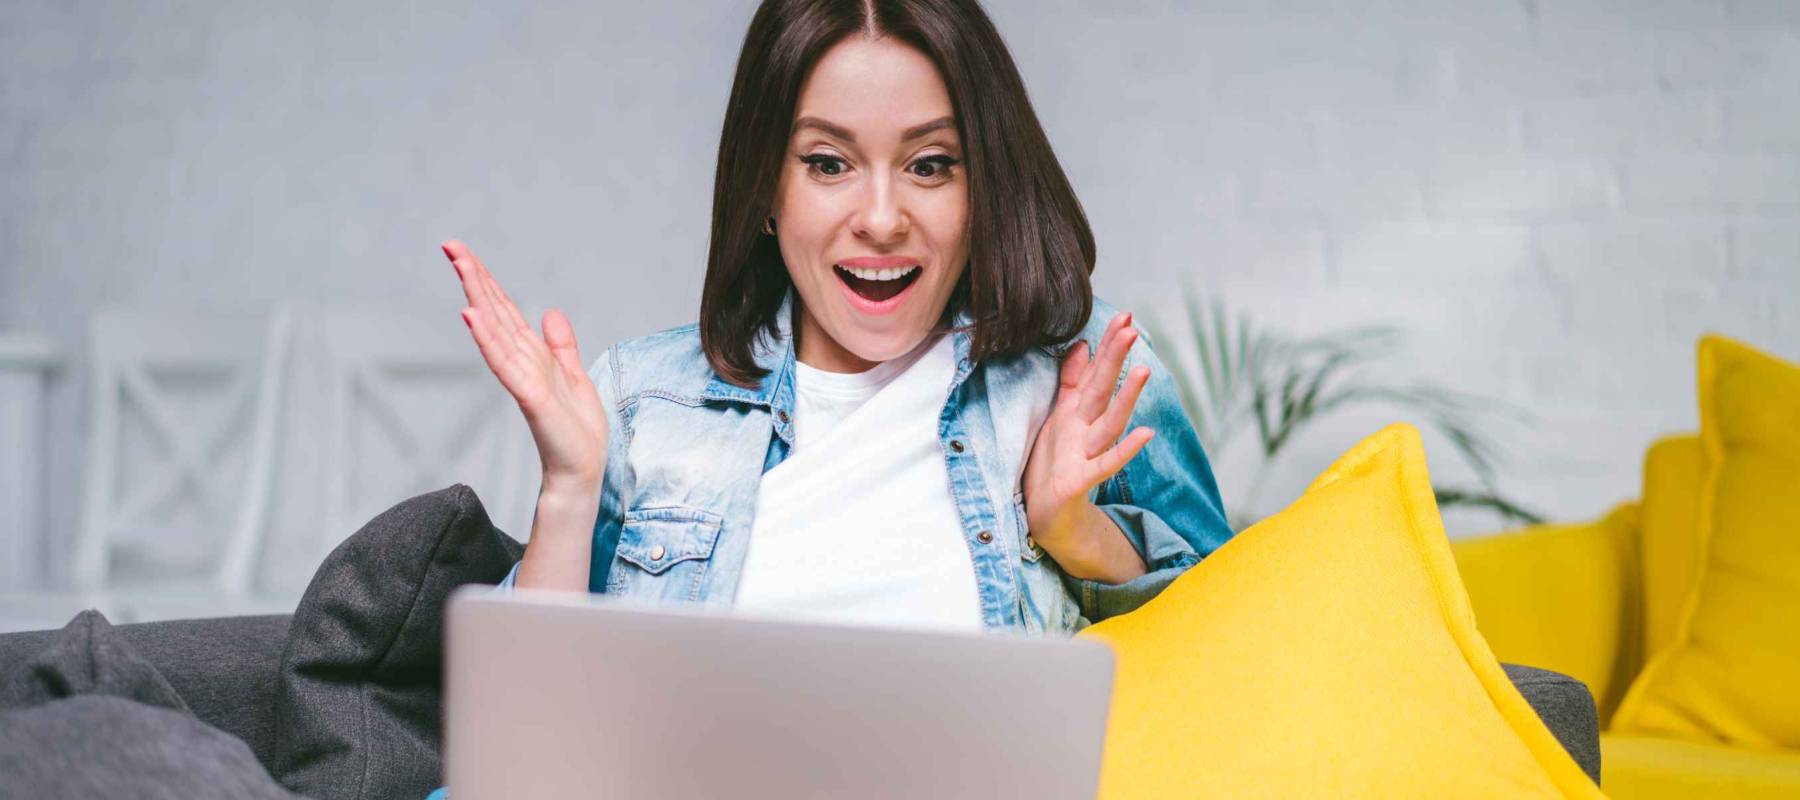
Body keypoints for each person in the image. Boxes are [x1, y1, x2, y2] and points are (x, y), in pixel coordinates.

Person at [440, 0, 1233, 637]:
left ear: (982, 182)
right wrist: (571, 492)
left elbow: (1236, 653)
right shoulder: (640, 404)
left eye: (930, 165)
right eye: (828, 164)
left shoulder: (1081, 376)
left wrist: (1071, 529)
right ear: (765, 192)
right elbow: (527, 755)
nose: (881, 219)